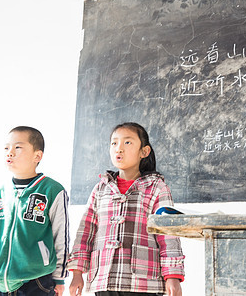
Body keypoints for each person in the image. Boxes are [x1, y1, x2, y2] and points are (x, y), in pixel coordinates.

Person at [68, 122, 185, 296]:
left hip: (143, 281)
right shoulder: (101, 188)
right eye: (114, 143)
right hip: (103, 279)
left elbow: (168, 234)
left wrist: (173, 276)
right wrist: (77, 272)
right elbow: (85, 232)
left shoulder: (157, 187)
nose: (119, 148)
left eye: (127, 142)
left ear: (144, 152)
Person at [0, 126, 69, 296]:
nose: (10, 153)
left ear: (37, 156)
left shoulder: (52, 190)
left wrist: (59, 278)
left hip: (36, 281)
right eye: (7, 148)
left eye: (18, 147)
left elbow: (61, 236)